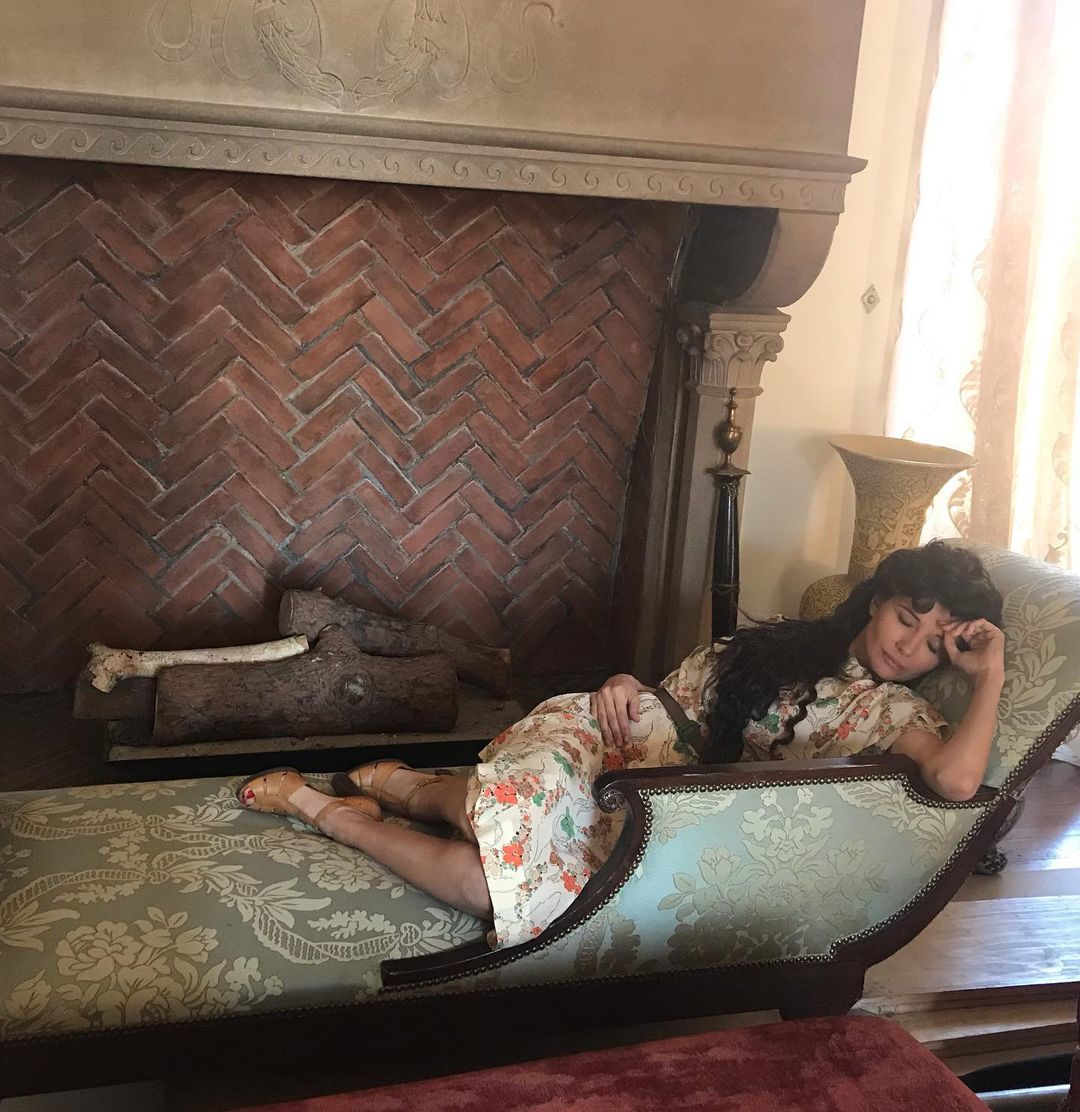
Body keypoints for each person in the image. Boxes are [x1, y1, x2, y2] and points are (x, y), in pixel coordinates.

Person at [237, 541, 1006, 950]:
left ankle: (335, 815)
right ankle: (413, 789)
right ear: (877, 602)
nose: (909, 647)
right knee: (501, 810)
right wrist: (622, 681)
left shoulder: (894, 713)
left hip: (671, 807)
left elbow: (957, 782)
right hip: (618, 736)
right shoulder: (790, 642)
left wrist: (990, 674)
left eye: (933, 644)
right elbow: (679, 693)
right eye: (906, 619)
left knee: (490, 885)